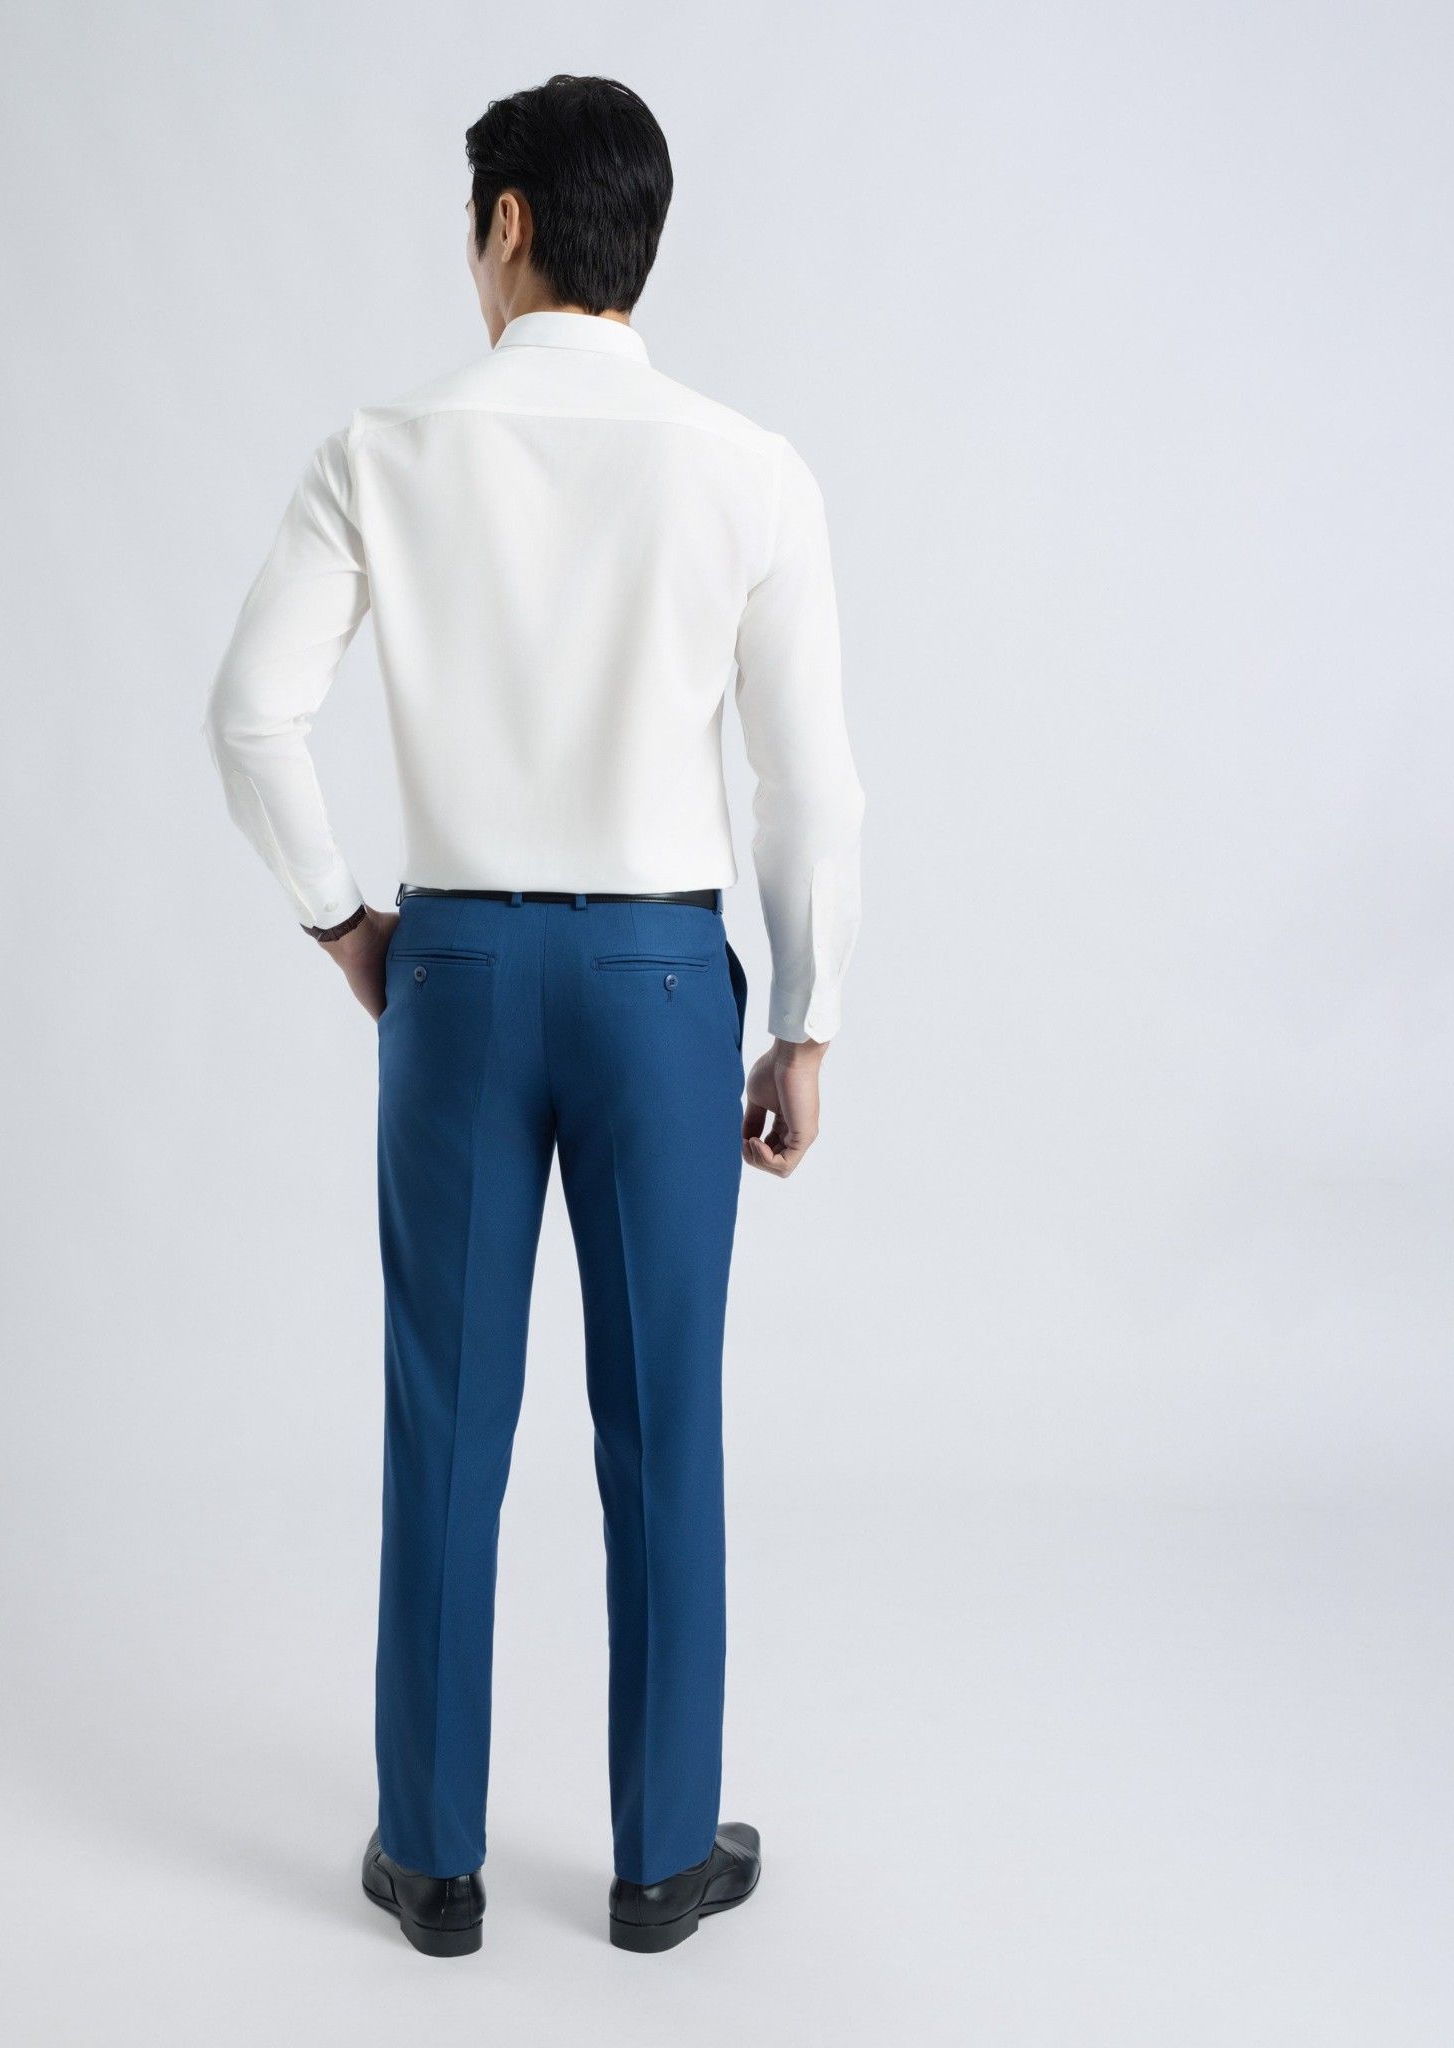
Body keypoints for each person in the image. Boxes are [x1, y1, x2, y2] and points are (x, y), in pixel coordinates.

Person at [205, 73, 863, 1958]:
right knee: (664, 1424)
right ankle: (660, 1864)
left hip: (463, 978)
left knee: (448, 1414)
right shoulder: (748, 467)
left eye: (471, 225)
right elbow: (810, 787)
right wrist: (805, 1019)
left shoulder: (386, 448)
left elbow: (251, 714)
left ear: (506, 223)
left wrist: (346, 922)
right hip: (660, 984)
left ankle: (433, 1859)